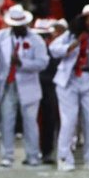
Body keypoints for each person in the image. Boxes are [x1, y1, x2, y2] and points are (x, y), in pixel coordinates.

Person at [0, 5, 48, 167]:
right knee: (7, 121)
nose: (18, 28)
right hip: (7, 85)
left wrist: (23, 64)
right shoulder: (0, 37)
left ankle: (33, 155)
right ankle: (7, 156)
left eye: (21, 25)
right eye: (15, 25)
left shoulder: (36, 40)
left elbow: (43, 62)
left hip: (28, 86)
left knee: (30, 122)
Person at [49, 4, 89, 172]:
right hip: (69, 80)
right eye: (87, 19)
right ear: (82, 20)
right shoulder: (69, 35)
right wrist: (72, 45)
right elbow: (53, 49)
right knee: (69, 120)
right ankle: (64, 158)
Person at [33, 18, 60, 164]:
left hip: (50, 87)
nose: (44, 39)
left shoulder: (54, 50)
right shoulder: (32, 48)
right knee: (33, 120)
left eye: (46, 36)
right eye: (41, 36)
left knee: (50, 120)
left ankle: (47, 151)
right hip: (33, 86)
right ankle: (34, 150)